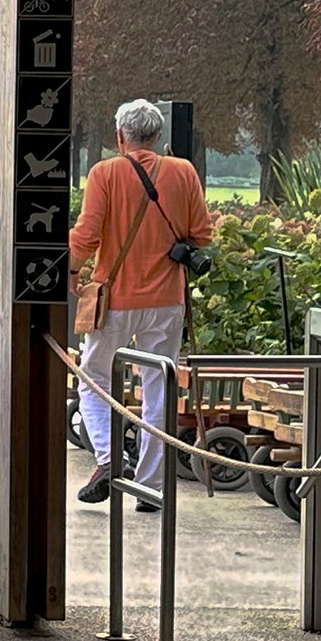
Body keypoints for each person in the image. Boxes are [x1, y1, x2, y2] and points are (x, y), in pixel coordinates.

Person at [68, 99, 215, 508]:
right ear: (157, 135)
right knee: (158, 388)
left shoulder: (105, 173)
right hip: (167, 300)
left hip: (115, 297)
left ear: (120, 137)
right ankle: (150, 487)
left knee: (93, 379)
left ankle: (109, 457)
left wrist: (73, 270)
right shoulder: (183, 172)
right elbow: (202, 234)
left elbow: (87, 235)